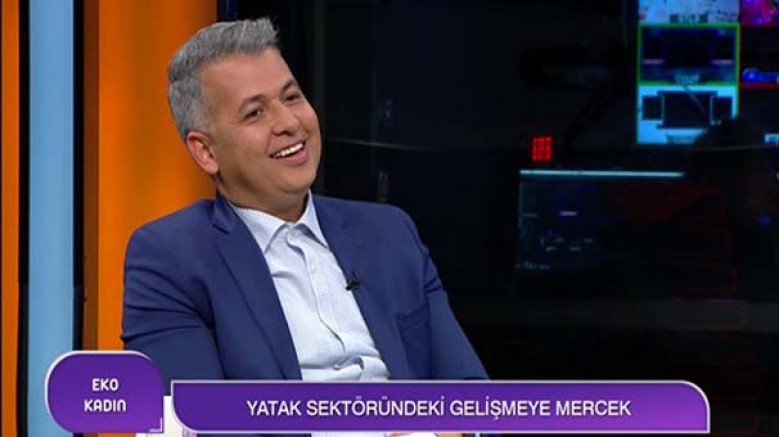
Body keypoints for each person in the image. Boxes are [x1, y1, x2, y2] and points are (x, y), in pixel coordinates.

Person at [121, 17, 486, 395]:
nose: (289, 123)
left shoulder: (390, 233)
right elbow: (196, 413)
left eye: (291, 97)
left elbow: (472, 394)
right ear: (206, 152)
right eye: (255, 113)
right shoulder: (171, 258)